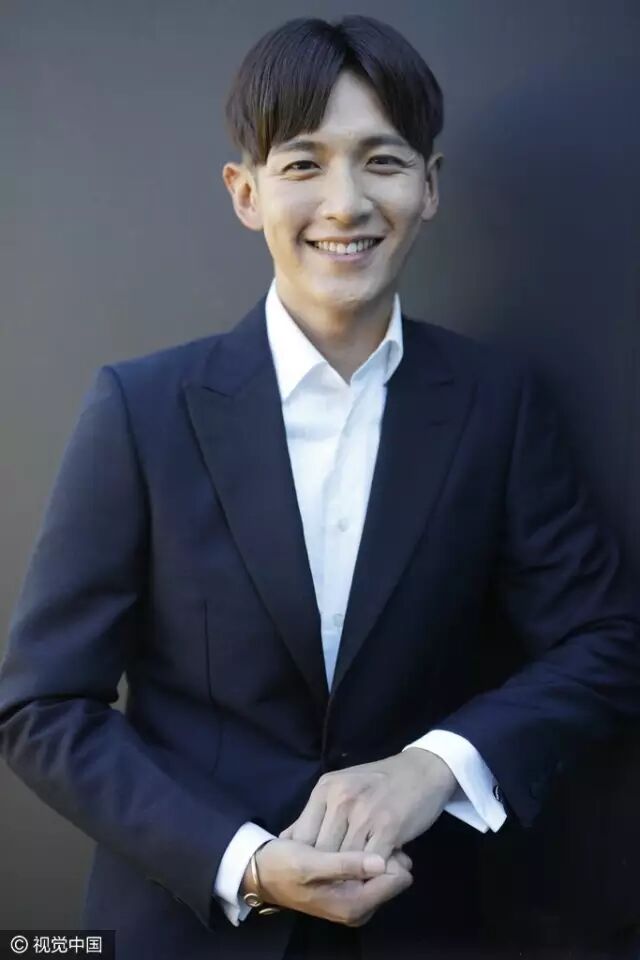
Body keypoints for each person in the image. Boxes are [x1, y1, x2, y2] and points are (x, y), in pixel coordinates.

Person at [1, 14, 639, 960]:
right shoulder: (143, 409)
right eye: (303, 164)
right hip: (183, 930)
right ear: (246, 191)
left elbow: (606, 641)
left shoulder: (498, 404)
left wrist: (434, 766)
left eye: (382, 162)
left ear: (430, 186)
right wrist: (247, 863)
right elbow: (43, 708)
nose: (345, 204)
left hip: (426, 925)